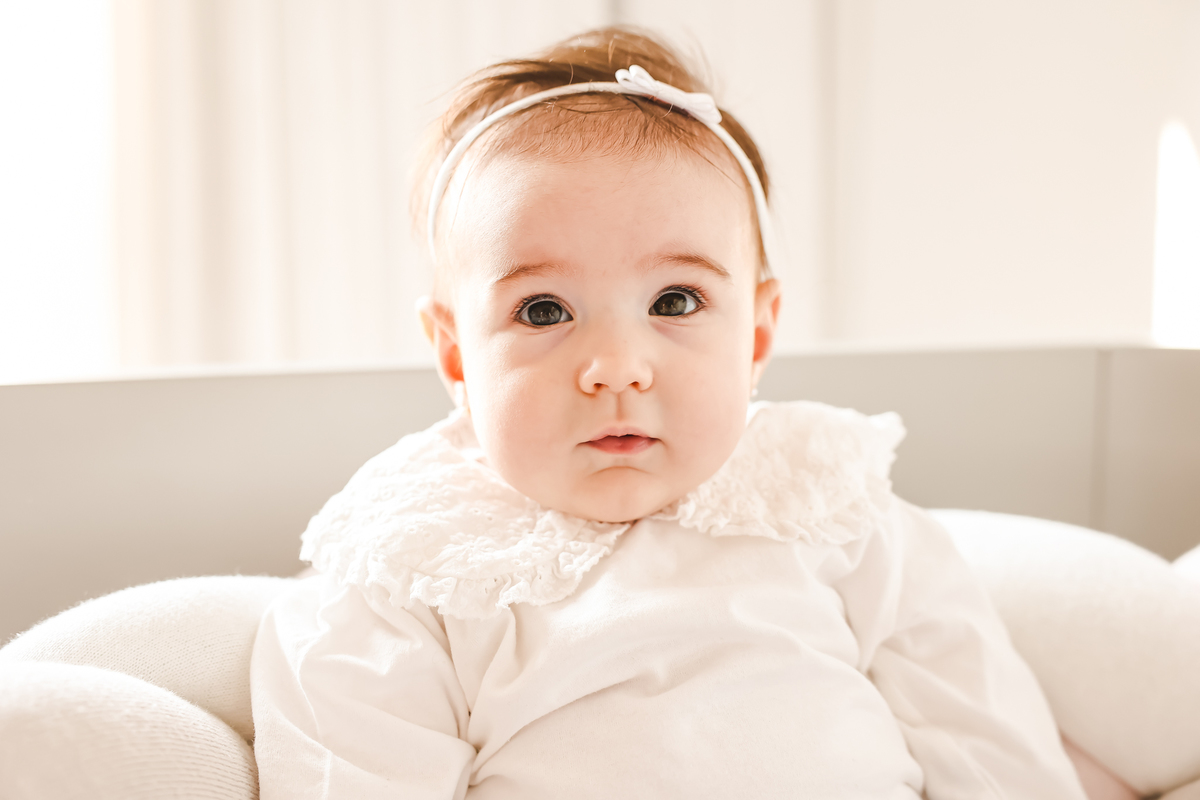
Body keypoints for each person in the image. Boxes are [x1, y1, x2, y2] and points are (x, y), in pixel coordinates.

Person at [250, 27, 1092, 799]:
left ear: (756, 334)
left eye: (675, 300)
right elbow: (350, 766)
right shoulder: (413, 567)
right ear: (457, 357)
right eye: (543, 310)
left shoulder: (830, 510)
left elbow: (991, 744)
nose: (617, 367)